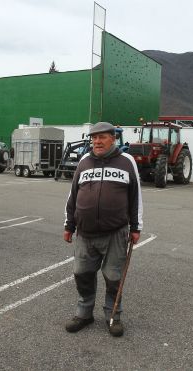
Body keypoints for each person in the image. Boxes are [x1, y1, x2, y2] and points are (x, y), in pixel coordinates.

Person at [63, 121, 143, 337]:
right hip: (85, 233)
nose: (97, 141)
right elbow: (73, 195)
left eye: (102, 137)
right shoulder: (84, 161)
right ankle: (84, 313)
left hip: (115, 233)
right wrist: (68, 224)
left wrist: (136, 227)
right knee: (81, 273)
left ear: (113, 139)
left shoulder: (127, 162)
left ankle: (113, 316)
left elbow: (136, 197)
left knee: (113, 277)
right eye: (94, 138)